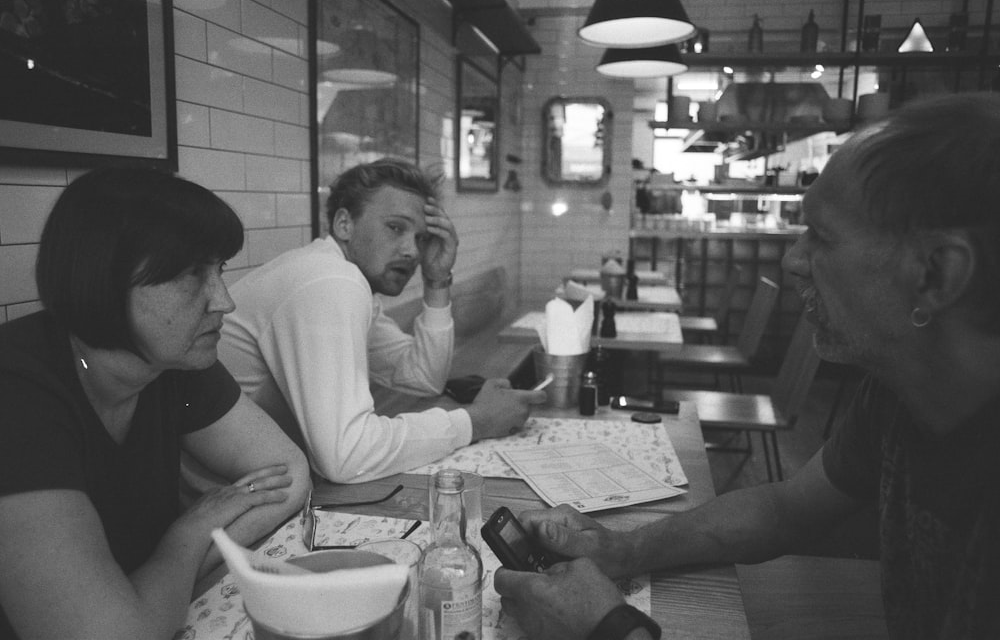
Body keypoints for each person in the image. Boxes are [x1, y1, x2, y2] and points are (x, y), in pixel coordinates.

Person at [494, 92, 1000, 640]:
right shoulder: (900, 392)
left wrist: (605, 628)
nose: (793, 260)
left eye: (821, 236)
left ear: (937, 274)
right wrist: (618, 548)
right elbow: (786, 510)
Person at [0, 168, 311, 640]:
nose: (223, 301)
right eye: (192, 275)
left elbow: (287, 474)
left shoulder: (170, 361)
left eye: (219, 270)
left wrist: (147, 591)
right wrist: (189, 534)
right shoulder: (18, 392)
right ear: (103, 279)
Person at [219, 158, 546, 483]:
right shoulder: (330, 281)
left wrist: (437, 280)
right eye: (395, 228)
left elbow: (422, 377)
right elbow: (346, 457)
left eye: (420, 238)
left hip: (259, 484)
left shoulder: (341, 278)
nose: (412, 252)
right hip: (224, 504)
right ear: (344, 224)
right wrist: (476, 421)